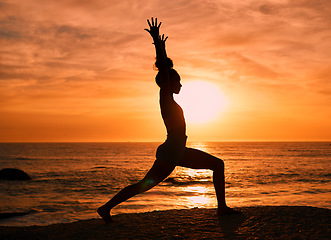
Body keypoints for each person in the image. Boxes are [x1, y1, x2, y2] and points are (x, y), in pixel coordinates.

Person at [97, 17, 239, 223]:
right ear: (169, 83)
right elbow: (163, 70)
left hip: (177, 151)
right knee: (144, 185)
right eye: (178, 81)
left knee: (217, 165)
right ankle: (106, 208)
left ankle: (222, 208)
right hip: (172, 152)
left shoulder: (170, 100)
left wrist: (162, 48)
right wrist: (158, 44)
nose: (181, 85)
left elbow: (166, 70)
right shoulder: (166, 97)